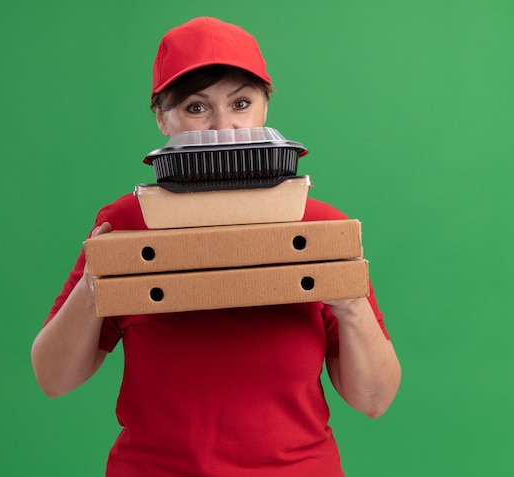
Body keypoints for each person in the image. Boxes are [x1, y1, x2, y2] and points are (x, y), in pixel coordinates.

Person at [31, 16, 401, 477]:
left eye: (241, 103)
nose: (224, 127)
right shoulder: (124, 225)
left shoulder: (321, 226)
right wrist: (94, 287)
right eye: (196, 107)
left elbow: (375, 400)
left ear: (266, 106)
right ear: (162, 118)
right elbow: (54, 378)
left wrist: (350, 303)